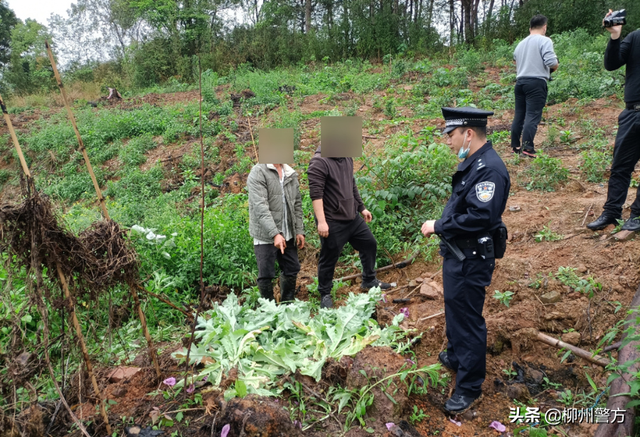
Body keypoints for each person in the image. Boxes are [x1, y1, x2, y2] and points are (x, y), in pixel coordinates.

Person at [421, 107, 510, 414]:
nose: (447, 140)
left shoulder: (490, 170)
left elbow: (479, 216)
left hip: (471, 258)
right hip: (459, 254)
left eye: (451, 134)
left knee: (468, 319)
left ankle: (469, 386)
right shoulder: (474, 163)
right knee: (455, 307)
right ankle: (456, 356)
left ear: (468, 133)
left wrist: (439, 225)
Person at [307, 144, 392, 309]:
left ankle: (368, 280)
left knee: (369, 244)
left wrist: (361, 207)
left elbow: (351, 184)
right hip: (331, 220)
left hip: (351, 217)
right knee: (329, 257)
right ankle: (325, 293)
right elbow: (316, 195)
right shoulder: (319, 162)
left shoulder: (346, 158)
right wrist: (322, 221)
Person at [587, 12, 640, 232]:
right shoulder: (635, 37)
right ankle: (611, 212)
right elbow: (611, 64)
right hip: (632, 112)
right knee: (620, 166)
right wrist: (615, 36)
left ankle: (637, 215)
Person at [247, 162, 305, 302]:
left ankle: (287, 303)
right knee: (266, 273)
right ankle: (269, 309)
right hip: (265, 234)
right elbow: (260, 207)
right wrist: (275, 234)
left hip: (288, 232)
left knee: (292, 268)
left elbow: (296, 204)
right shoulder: (258, 173)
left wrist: (299, 230)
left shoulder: (290, 173)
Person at [510, 14, 559, 158]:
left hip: (520, 82)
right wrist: (554, 66)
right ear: (544, 27)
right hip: (536, 83)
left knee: (519, 114)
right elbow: (551, 62)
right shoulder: (544, 40)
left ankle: (515, 146)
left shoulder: (520, 44)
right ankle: (527, 148)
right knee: (532, 115)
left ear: (530, 28)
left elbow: (516, 61)